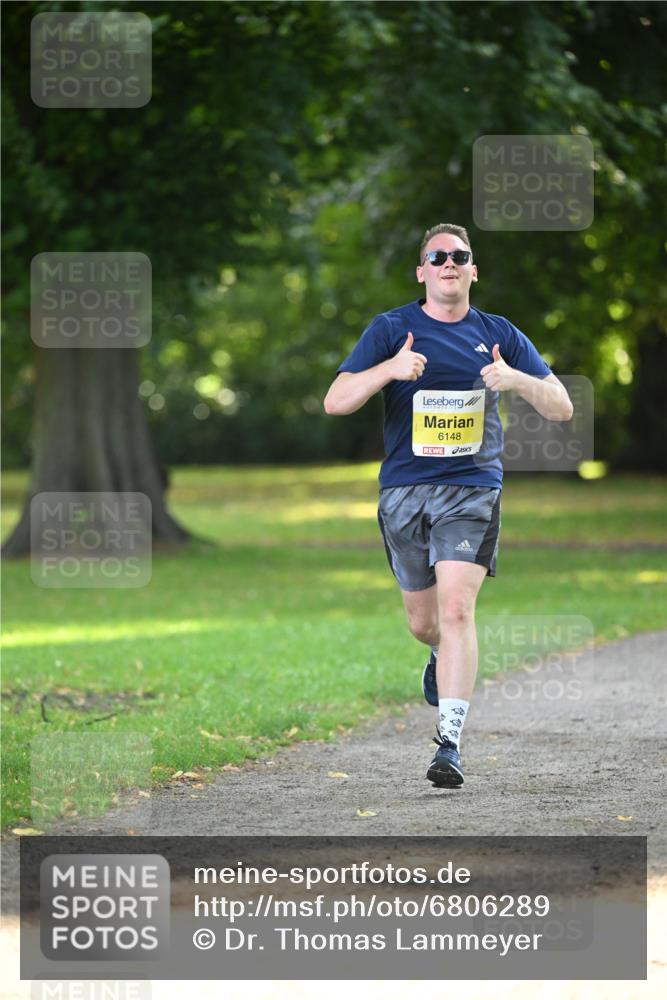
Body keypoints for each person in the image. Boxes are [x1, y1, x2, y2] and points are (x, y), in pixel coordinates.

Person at [323, 223, 573, 788]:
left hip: (472, 488)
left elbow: (560, 406)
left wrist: (515, 379)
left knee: (458, 611)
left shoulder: (498, 333)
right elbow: (335, 401)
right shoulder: (392, 329)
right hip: (405, 491)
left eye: (460, 256)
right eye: (437, 257)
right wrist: (388, 370)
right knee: (426, 623)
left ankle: (450, 743)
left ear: (473, 269)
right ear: (422, 271)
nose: (449, 264)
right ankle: (438, 656)